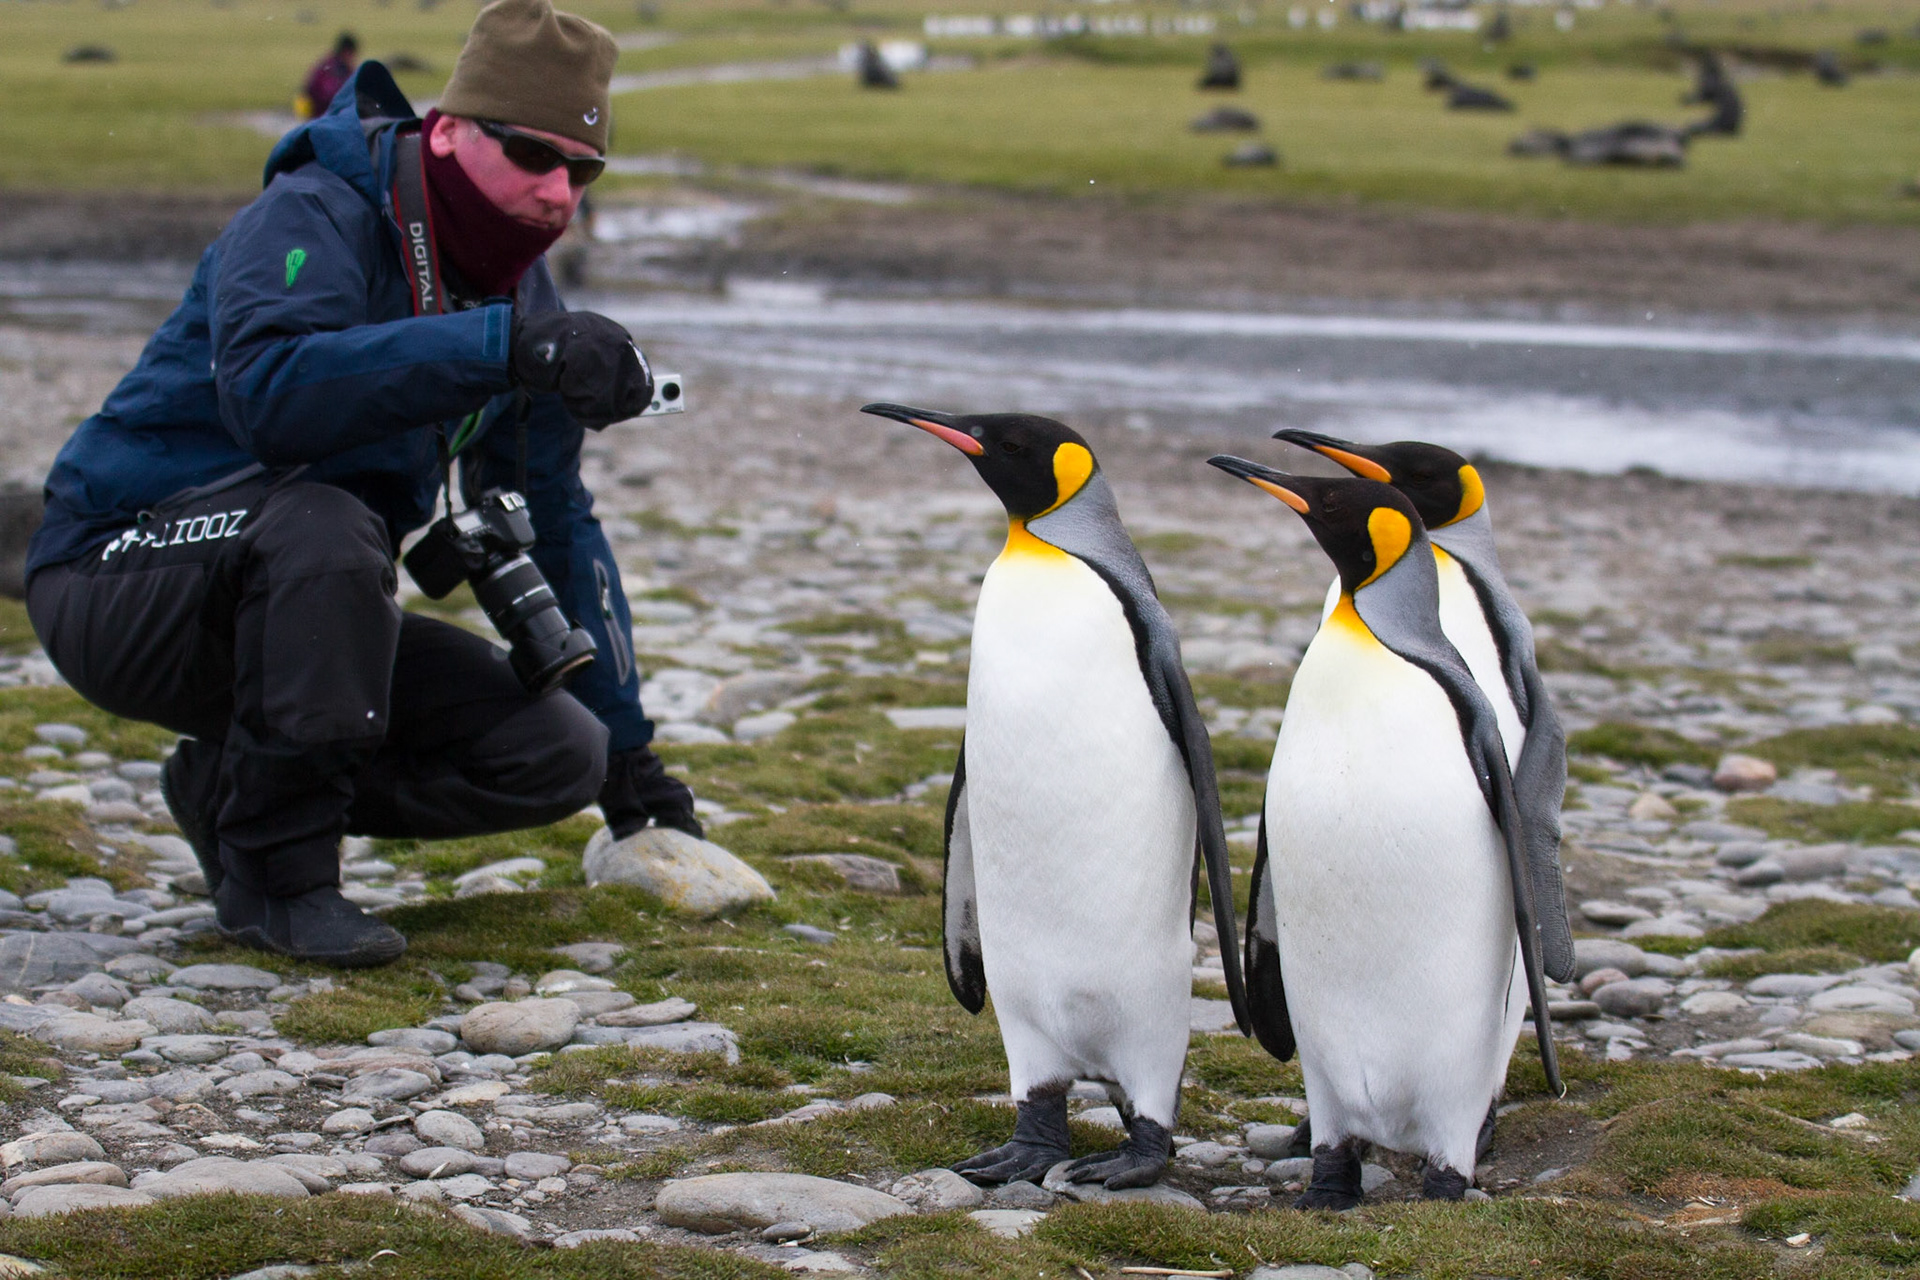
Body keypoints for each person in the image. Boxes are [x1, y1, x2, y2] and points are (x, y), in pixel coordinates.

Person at [26, 0, 700, 969]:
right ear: (452, 128)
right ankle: (275, 878)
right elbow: (270, 394)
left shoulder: (523, 296)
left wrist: (631, 758)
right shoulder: (316, 210)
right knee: (328, 529)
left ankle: (228, 786)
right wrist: (500, 347)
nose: (559, 194)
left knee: (558, 748)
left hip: (296, 605)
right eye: (532, 156)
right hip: (115, 568)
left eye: (582, 170)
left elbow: (552, 511)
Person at [297, 31, 359, 119]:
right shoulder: (332, 68)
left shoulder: (335, 65)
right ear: (346, 52)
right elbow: (328, 95)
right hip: (321, 117)